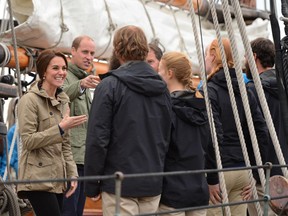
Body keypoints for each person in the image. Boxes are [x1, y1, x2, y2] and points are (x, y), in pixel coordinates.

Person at [84, 25, 172, 216]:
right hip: (152, 181)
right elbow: (166, 135)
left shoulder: (109, 86)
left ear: (117, 50)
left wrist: (91, 183)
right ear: (144, 49)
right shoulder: (163, 89)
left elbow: (98, 139)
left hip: (119, 183)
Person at [202, 38, 268, 216]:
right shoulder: (245, 91)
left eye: (207, 54)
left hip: (220, 171)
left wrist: (212, 178)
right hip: (242, 170)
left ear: (214, 56)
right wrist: (254, 173)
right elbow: (261, 132)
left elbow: (212, 136)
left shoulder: (209, 91)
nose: (205, 59)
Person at [17, 49, 88, 216]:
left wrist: (72, 174)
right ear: (43, 71)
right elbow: (28, 141)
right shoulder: (29, 100)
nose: (61, 73)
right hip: (37, 178)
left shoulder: (63, 100)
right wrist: (60, 128)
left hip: (57, 178)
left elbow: (65, 145)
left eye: (64, 68)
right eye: (55, 68)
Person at [157, 51, 218, 216]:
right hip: (198, 191)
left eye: (160, 70)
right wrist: (212, 181)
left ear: (170, 73)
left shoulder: (165, 108)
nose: (157, 75)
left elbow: (160, 149)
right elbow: (212, 147)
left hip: (171, 192)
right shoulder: (204, 106)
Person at [245, 37, 288, 216]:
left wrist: (252, 176)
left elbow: (253, 134)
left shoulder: (253, 90)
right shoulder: (284, 87)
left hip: (264, 175)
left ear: (254, 57)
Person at [61, 35, 100, 216]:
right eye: (85, 52)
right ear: (73, 51)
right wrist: (82, 85)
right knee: (68, 211)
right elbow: (59, 97)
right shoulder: (64, 75)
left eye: (92, 53)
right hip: (70, 160)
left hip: (84, 158)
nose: (89, 57)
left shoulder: (86, 79)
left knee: (77, 212)